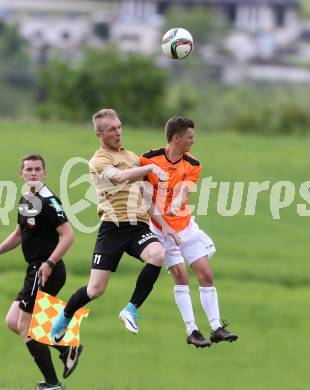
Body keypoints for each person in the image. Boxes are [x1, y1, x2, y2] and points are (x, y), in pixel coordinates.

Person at [51, 108, 166, 344]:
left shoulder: (132, 157)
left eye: (119, 127)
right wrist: (150, 168)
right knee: (95, 290)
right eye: (112, 129)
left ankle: (131, 309)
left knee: (157, 254)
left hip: (137, 226)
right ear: (99, 135)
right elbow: (119, 177)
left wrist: (165, 223)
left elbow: (145, 193)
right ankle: (66, 316)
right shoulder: (99, 160)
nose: (118, 132)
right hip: (112, 228)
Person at [139, 116, 238, 348]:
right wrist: (165, 226)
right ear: (177, 138)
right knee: (181, 276)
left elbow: (185, 189)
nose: (194, 141)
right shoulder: (148, 159)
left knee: (206, 274)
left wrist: (177, 202)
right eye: (190, 137)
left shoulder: (193, 163)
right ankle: (192, 330)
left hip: (186, 227)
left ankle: (216, 327)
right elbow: (145, 199)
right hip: (161, 230)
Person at [0, 154, 82, 390]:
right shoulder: (27, 199)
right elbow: (18, 234)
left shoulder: (48, 200)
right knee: (13, 321)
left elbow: (69, 236)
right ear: (21, 174)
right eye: (29, 169)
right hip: (34, 270)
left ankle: (52, 384)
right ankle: (67, 346)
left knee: (26, 327)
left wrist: (50, 263)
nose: (33, 173)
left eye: (37, 169)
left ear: (44, 173)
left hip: (46, 270)